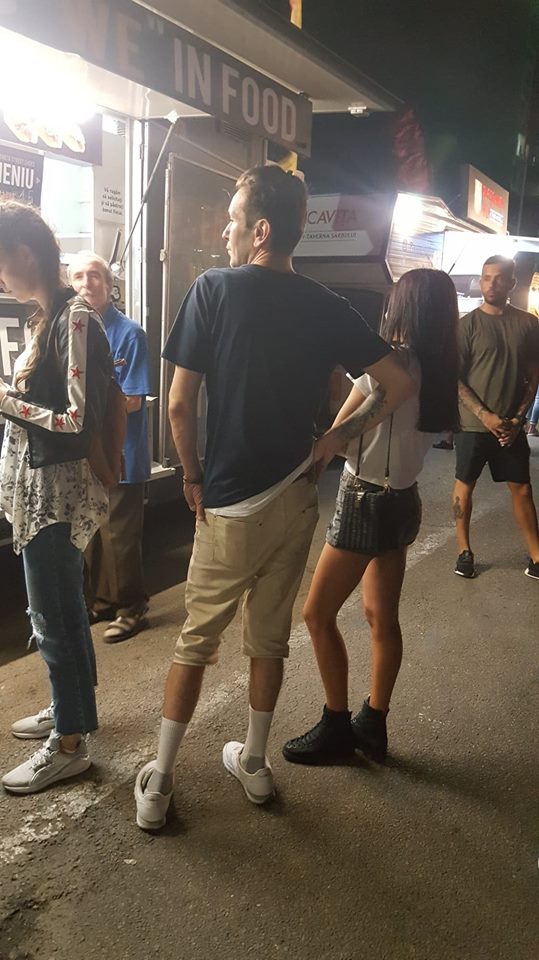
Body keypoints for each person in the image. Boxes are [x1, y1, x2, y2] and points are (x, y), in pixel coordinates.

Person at [134, 164, 416, 830]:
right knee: (269, 640)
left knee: (195, 641)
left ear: (260, 230)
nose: (226, 232)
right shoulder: (326, 305)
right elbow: (397, 382)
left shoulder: (212, 289)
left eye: (234, 220)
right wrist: (336, 439)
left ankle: (160, 780)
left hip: (229, 501)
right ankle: (256, 764)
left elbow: (179, 404)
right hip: (295, 498)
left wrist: (191, 476)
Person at [282, 269, 459, 766]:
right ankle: (373, 722)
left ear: (404, 306)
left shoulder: (390, 364)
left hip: (365, 497)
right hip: (402, 497)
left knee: (317, 614)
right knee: (382, 617)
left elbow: (338, 436)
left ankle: (336, 724)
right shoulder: (441, 368)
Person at [0, 202, 111, 793]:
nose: (0, 277)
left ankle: (69, 744)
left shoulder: (74, 319)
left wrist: (3, 399)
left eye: (0, 263)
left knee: (52, 616)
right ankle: (72, 710)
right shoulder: (51, 317)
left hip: (55, 496)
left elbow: (75, 421)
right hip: (43, 490)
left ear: (23, 254)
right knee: (63, 609)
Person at [68, 252, 151, 642]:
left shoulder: (130, 334)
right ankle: (103, 603)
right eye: (79, 276)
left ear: (109, 284)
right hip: (86, 454)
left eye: (95, 275)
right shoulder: (75, 332)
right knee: (93, 535)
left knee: (119, 537)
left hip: (122, 454)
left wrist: (79, 409)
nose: (87, 283)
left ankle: (132, 608)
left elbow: (132, 399)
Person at [452, 256, 539, 580]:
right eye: (487, 277)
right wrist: (484, 415)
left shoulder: (528, 324)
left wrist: (517, 420)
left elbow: (533, 375)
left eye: (499, 278)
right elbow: (454, 378)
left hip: (511, 429)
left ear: (512, 283)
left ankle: (537, 556)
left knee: (522, 490)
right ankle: (464, 552)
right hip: (472, 426)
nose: (492, 284)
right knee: (465, 486)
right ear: (481, 281)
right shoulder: (467, 326)